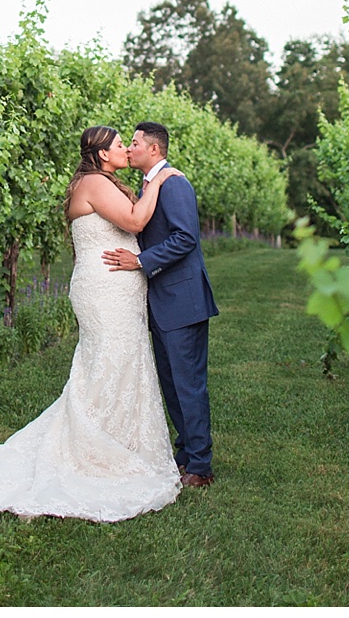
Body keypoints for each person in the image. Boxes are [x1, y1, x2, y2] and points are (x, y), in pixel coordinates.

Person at [0, 125, 183, 521]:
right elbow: (137, 221)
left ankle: (121, 441)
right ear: (103, 154)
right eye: (121, 145)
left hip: (117, 291)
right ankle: (94, 449)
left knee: (120, 363)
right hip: (105, 292)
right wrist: (159, 177)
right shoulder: (94, 183)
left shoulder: (100, 181)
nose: (126, 149)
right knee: (107, 363)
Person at [102, 121, 219, 486]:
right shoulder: (151, 186)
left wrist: (140, 262)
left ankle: (201, 466)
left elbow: (185, 238)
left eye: (134, 143)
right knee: (172, 384)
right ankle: (186, 453)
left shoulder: (174, 183)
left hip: (183, 301)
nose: (130, 148)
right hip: (164, 302)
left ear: (154, 149)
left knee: (188, 384)